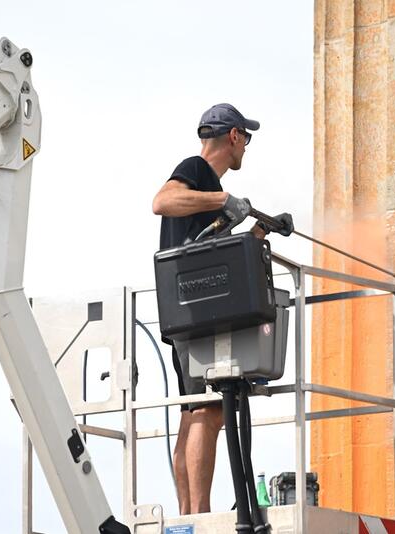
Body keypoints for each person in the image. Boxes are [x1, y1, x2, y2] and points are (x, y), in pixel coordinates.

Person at [151, 103, 264, 515]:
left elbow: (212, 246)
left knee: (191, 410)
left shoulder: (207, 196)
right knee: (209, 411)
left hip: (189, 309)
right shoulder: (197, 172)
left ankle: (187, 513)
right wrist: (222, 197)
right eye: (245, 139)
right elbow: (162, 201)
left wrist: (258, 231)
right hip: (196, 311)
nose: (246, 148)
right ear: (233, 136)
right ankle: (199, 513)